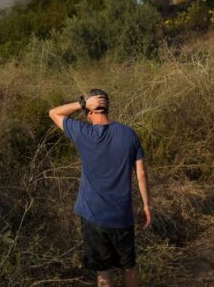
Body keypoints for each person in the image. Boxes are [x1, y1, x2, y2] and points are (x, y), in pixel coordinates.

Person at [49, 89, 151, 287]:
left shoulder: (83, 132)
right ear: (108, 108)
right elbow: (141, 174)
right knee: (129, 266)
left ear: (90, 112)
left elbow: (53, 113)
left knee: (103, 271)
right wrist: (146, 205)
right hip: (122, 217)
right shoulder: (129, 134)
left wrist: (81, 104)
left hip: (93, 216)